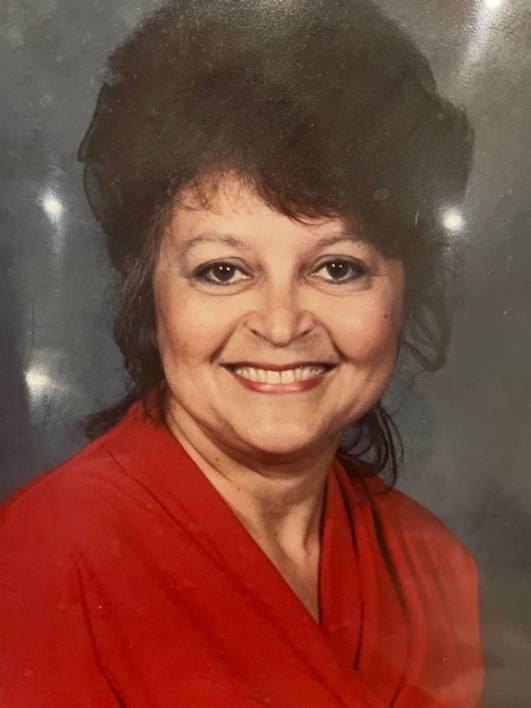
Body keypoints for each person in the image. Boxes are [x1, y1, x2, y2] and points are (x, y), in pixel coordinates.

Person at [0, 1, 484, 705]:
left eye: (337, 267)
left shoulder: (435, 566)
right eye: (222, 270)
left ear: (404, 283)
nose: (282, 325)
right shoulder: (37, 568)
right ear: (149, 292)